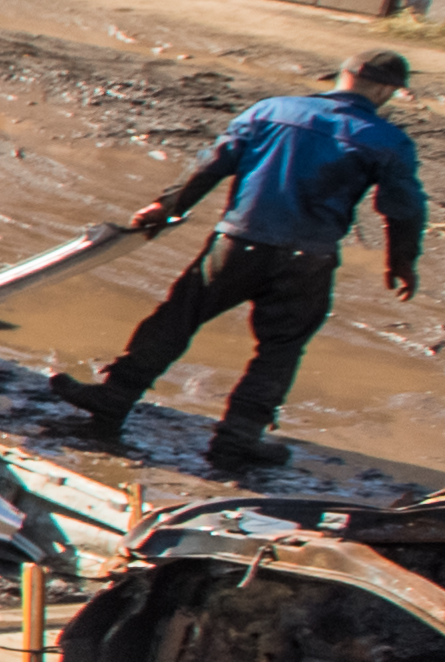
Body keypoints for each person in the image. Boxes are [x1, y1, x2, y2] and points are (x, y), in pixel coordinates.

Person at [68, 50, 426, 478]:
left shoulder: (272, 110)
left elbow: (213, 163)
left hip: (236, 243)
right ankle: (236, 442)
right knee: (279, 349)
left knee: (178, 317)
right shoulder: (387, 140)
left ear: (344, 74)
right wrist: (401, 261)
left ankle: (113, 399)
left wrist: (166, 207)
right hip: (307, 260)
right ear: (387, 90)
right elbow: (403, 209)